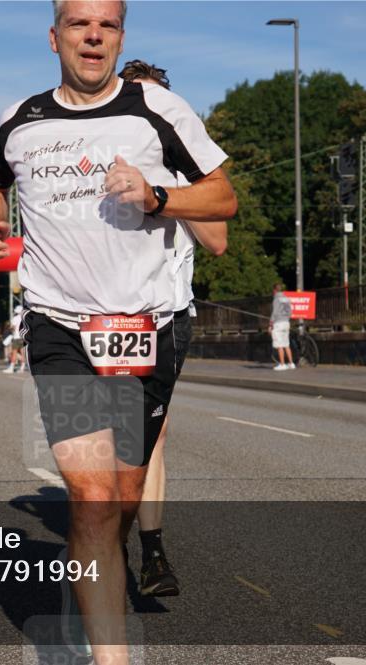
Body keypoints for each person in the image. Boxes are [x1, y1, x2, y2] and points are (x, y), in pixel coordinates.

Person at [0, 2, 237, 660]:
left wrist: (157, 196)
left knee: (121, 497)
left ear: (119, 37)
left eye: (107, 25)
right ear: (54, 36)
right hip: (58, 324)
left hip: (149, 327)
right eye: (78, 24)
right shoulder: (20, 120)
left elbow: (223, 198)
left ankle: (99, 582)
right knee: (91, 497)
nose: (92, 36)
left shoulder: (159, 111)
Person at [119, 59, 229, 597]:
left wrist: (163, 194)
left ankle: (152, 553)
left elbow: (217, 242)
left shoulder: (188, 174)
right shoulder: (100, 162)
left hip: (165, 315)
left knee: (151, 435)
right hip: (101, 313)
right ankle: (103, 535)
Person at [270, 283, 295, 370]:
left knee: (279, 344)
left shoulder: (276, 299)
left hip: (278, 323)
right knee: (286, 344)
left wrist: (271, 323)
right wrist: (285, 318)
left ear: (274, 290)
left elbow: (275, 312)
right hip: (286, 322)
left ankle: (282, 364)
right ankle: (291, 363)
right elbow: (290, 312)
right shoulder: (286, 298)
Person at [2, 305, 26, 373]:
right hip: (23, 337)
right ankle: (22, 367)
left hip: (16, 337)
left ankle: (11, 367)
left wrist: (10, 328)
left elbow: (13, 328)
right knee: (22, 353)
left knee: (14, 352)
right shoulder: (24, 318)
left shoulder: (15, 318)